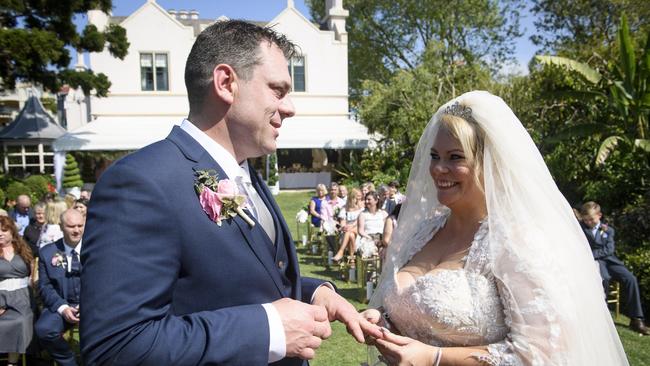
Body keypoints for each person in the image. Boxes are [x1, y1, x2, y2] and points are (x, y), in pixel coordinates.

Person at [81, 20, 380, 366]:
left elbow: (236, 278)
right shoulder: (141, 183)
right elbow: (116, 348)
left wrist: (316, 292)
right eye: (278, 90)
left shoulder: (244, 172)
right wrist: (267, 330)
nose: (290, 107)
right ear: (226, 84)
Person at [361, 91, 628, 365]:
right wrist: (384, 318)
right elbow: (416, 312)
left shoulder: (517, 242)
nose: (439, 168)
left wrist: (436, 358)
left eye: (455, 157)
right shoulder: (425, 231)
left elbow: (542, 354)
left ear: (488, 164)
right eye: (434, 155)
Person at [580, 201, 650, 335]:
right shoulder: (581, 229)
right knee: (603, 279)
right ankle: (602, 316)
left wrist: (594, 254)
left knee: (631, 279)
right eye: (586, 220)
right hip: (593, 262)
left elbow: (610, 249)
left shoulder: (608, 230)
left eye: (591, 219)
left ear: (599, 215)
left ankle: (636, 319)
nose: (589, 222)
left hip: (610, 261)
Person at [36, 209, 85, 366]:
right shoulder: (47, 252)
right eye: (71, 226)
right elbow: (45, 286)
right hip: (62, 304)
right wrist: (63, 308)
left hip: (92, 305)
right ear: (61, 226)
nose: (76, 230)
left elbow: (105, 283)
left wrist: (86, 304)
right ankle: (69, 362)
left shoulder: (96, 250)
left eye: (80, 225)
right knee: (44, 329)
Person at [0, 216, 34, 366]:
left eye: (4, 230)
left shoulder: (22, 248)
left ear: (12, 232)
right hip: (1, 297)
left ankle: (12, 362)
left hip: (23, 298)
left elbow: (33, 271)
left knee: (19, 321)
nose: (0, 234)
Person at [332, 188, 364, 262]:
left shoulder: (361, 207)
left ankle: (341, 252)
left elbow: (359, 220)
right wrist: (344, 226)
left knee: (349, 232)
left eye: (360, 196)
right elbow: (342, 221)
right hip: (348, 231)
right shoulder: (345, 208)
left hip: (358, 228)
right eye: (358, 196)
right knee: (351, 235)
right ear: (352, 197)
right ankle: (352, 258)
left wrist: (351, 226)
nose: (360, 198)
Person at [355, 191, 388, 258]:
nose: (367, 201)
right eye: (366, 199)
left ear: (376, 201)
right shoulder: (363, 214)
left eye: (369, 199)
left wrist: (382, 239)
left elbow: (387, 228)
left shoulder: (383, 213)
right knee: (370, 248)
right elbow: (360, 231)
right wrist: (370, 238)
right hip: (368, 237)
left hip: (381, 237)